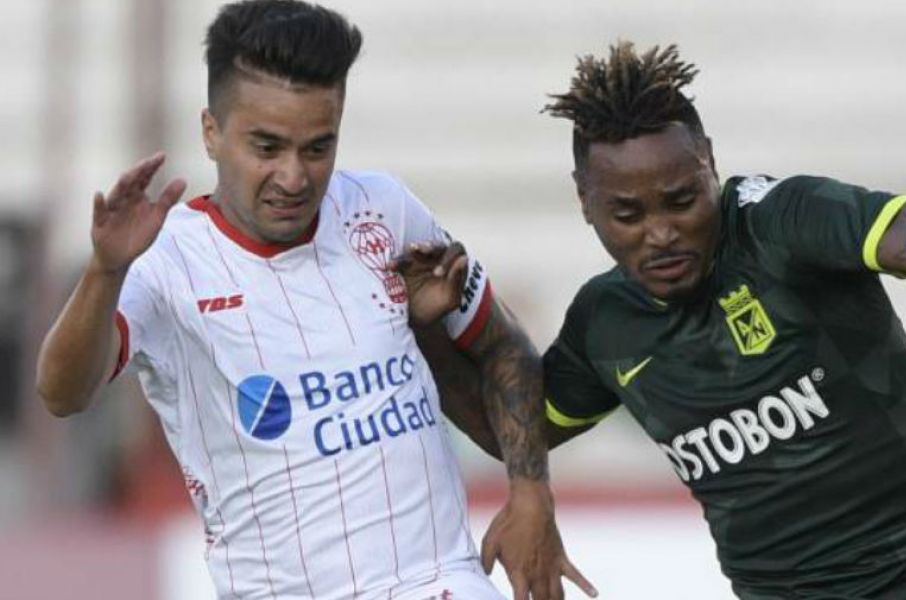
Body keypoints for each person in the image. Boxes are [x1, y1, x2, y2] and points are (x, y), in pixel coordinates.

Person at [408, 42, 906, 599]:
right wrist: (430, 332)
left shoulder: (783, 224)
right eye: (628, 214)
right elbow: (514, 430)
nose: (661, 233)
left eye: (681, 200)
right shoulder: (605, 324)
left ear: (709, 163)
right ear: (584, 200)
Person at [33, 2, 594, 599]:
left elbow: (503, 346)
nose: (294, 177)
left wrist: (530, 493)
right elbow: (62, 394)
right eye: (267, 148)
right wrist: (105, 270)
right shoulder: (164, 260)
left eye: (318, 148)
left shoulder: (383, 208)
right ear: (212, 132)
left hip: (438, 581)